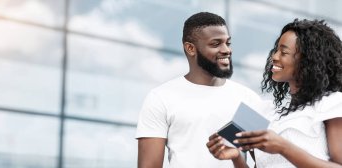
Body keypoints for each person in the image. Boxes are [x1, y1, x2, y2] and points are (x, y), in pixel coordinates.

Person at [207, 18, 342, 168]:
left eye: (283, 52)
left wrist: (283, 147)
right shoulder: (264, 111)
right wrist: (237, 157)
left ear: (308, 61)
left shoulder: (332, 103)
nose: (275, 57)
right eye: (276, 50)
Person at [135, 12, 263, 168]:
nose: (226, 50)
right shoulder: (161, 98)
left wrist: (237, 158)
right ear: (190, 48)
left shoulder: (248, 99)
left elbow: (264, 163)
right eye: (216, 44)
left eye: (227, 43)